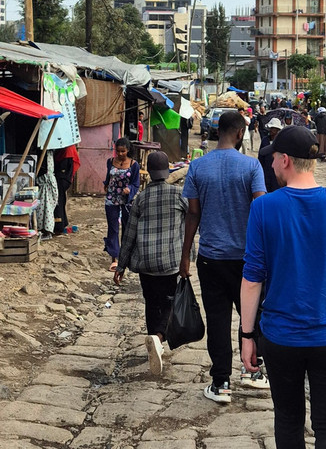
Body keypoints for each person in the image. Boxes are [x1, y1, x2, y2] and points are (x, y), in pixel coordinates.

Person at [241, 125, 326, 449]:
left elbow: (252, 278)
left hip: (281, 338)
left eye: (272, 159)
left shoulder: (264, 208)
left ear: (285, 160)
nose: (269, 164)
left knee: (287, 421)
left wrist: (246, 336)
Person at [180, 110, 266, 403]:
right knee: (252, 317)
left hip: (210, 258)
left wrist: (185, 258)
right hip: (247, 259)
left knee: (217, 320)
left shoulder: (198, 167)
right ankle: (254, 371)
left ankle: (221, 383)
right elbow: (261, 210)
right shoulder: (251, 167)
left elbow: (193, 214)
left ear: (218, 130)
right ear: (241, 133)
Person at [114, 151, 187, 375]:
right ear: (166, 172)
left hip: (145, 263)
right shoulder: (178, 196)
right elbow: (194, 219)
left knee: (150, 301)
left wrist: (120, 266)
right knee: (169, 302)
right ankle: (158, 337)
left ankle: (153, 342)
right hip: (169, 263)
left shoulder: (141, 199)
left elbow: (129, 235)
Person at [104, 138, 140, 272]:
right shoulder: (110, 162)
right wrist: (106, 184)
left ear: (128, 150)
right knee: (113, 228)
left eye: (122, 151)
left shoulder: (134, 165)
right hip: (111, 198)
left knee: (127, 228)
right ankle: (114, 257)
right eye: (117, 151)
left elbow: (136, 183)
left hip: (126, 201)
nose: (120, 154)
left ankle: (126, 256)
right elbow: (108, 177)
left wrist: (129, 189)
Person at [259, 118, 285, 192]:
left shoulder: (281, 141)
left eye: (273, 128)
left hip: (278, 172)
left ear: (277, 130)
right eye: (270, 128)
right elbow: (260, 156)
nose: (271, 130)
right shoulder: (265, 140)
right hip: (266, 170)